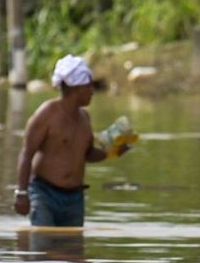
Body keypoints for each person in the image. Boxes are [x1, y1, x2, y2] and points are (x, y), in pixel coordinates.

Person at [12, 54, 128, 226]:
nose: (92, 92)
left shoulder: (84, 118)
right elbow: (27, 153)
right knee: (43, 240)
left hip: (74, 198)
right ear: (76, 88)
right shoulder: (47, 114)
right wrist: (21, 193)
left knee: (72, 243)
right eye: (88, 86)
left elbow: (87, 154)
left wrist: (113, 151)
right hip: (44, 194)